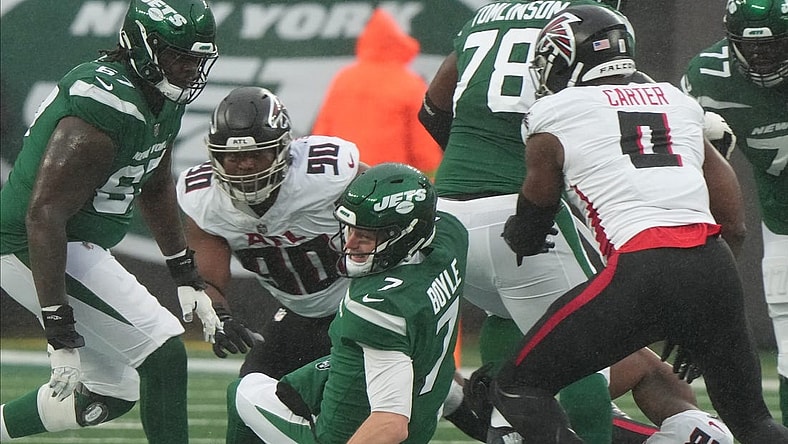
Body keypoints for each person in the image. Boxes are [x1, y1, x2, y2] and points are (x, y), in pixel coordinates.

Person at [492, 4, 788, 443]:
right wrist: (700, 314)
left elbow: (536, 210)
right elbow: (733, 222)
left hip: (641, 268)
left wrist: (519, 235)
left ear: (569, 57)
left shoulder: (554, 112)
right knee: (753, 422)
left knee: (517, 387)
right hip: (713, 266)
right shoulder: (677, 101)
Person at [0, 0, 220, 441]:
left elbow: (154, 181)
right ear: (143, 46)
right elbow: (44, 214)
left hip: (70, 240)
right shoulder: (105, 104)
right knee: (163, 353)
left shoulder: (160, 96)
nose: (189, 70)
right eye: (178, 57)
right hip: (30, 242)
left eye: (197, 60)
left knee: (112, 390)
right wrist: (59, 330)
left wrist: (185, 273)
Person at [419, 1, 634, 442]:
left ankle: (508, 427)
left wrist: (474, 163)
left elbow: (432, 108)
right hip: (519, 213)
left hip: (450, 216)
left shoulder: (485, 16)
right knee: (584, 352)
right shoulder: (587, 22)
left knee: (508, 319)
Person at [226, 162, 469, 443]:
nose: (349, 243)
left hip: (349, 435)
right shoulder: (451, 236)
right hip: (423, 405)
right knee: (302, 383)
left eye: (365, 235)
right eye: (350, 229)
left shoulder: (377, 305)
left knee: (243, 391)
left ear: (405, 233)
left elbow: (390, 424)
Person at [176, 86, 364, 378]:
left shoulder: (325, 176)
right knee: (250, 389)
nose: (246, 165)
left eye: (256, 154)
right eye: (234, 157)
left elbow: (390, 208)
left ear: (282, 150)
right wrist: (219, 316)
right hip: (301, 313)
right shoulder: (205, 200)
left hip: (363, 302)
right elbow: (207, 280)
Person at [681, 0, 788, 426]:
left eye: (775, 45)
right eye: (752, 46)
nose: (763, 58)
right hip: (783, 216)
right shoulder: (707, 76)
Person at [311, 8, 444, 176]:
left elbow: (322, 134)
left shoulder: (344, 78)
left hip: (344, 177)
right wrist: (429, 182)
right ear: (397, 42)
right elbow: (423, 148)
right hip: (388, 180)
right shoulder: (410, 84)